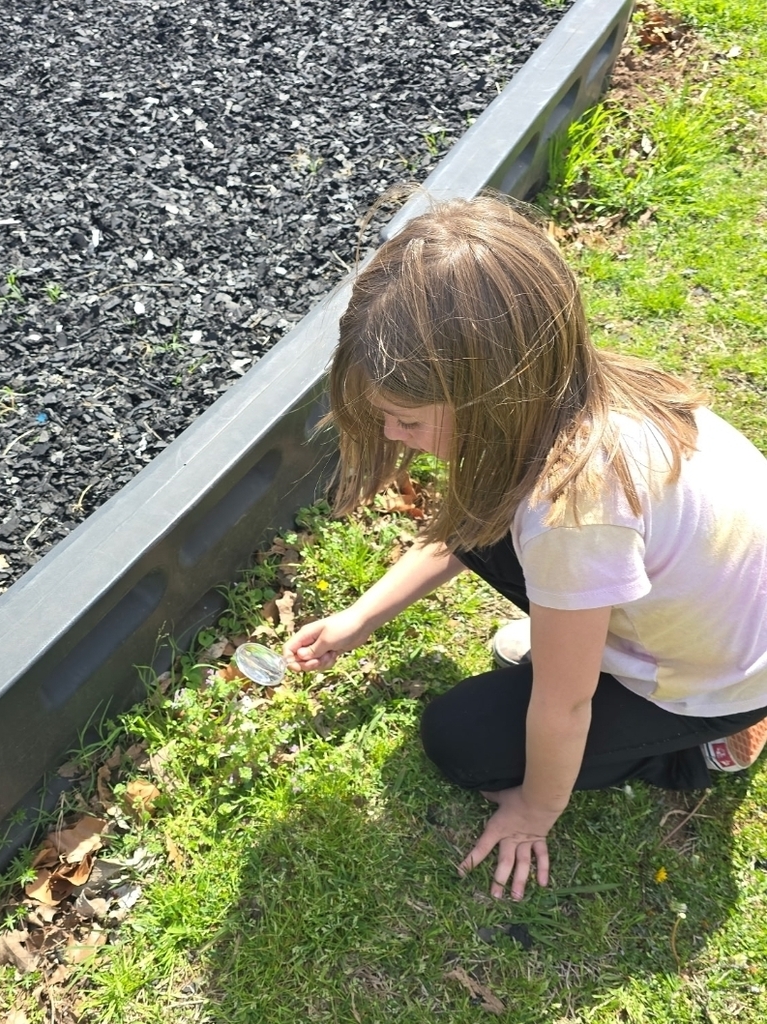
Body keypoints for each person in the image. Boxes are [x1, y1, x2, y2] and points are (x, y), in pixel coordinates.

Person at [282, 194, 767, 902]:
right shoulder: (575, 389)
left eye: (405, 420)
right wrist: (360, 619)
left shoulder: (570, 511)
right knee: (482, 527)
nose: (391, 437)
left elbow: (564, 706)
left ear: (489, 397)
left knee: (461, 742)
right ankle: (597, 643)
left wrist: (535, 811)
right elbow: (464, 530)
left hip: (720, 681)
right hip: (719, 610)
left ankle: (700, 751)